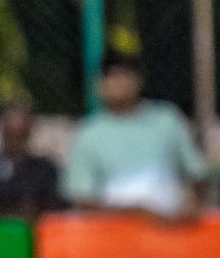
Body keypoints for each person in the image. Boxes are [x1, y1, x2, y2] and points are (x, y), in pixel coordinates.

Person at [64, 53, 208, 219]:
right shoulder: (88, 133)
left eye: (125, 74)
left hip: (172, 228)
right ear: (99, 85)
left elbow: (197, 176)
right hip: (114, 233)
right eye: (112, 76)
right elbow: (82, 199)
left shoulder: (167, 120)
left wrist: (192, 205)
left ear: (139, 80)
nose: (119, 82)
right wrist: (136, 215)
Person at [0, 99, 64, 220]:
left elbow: (58, 211)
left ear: (30, 130)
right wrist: (13, 215)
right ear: (1, 128)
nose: (15, 141)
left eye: (21, 134)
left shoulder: (46, 171)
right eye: (10, 134)